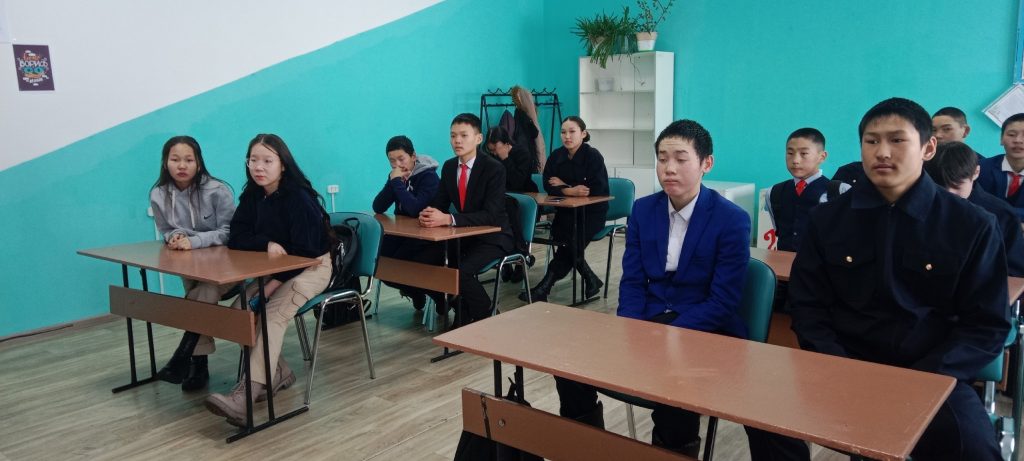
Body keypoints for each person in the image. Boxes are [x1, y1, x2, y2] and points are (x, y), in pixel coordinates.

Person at [553, 119, 803, 459]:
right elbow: (632, 281)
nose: (668, 168)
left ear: (706, 163)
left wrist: (667, 337)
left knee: (676, 390)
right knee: (568, 367)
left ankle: (673, 450)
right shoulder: (644, 210)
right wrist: (632, 329)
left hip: (707, 331)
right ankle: (588, 449)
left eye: (681, 159)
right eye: (662, 158)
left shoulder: (730, 219)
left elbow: (723, 301)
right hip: (649, 323)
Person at [788, 98, 1010, 460]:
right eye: (871, 141)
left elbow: (986, 325)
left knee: (975, 449)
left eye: (897, 140)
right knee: (769, 421)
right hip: (846, 368)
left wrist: (923, 379)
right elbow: (808, 306)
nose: (882, 152)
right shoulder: (827, 220)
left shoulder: (971, 224)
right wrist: (837, 366)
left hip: (933, 375)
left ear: (928, 148)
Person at [204, 134, 334, 426]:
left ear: (282, 164)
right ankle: (277, 372)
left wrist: (272, 286)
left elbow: (305, 251)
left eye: (267, 160)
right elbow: (237, 236)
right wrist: (266, 244)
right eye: (253, 160)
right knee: (241, 312)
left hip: (312, 267)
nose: (259, 167)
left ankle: (245, 396)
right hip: (277, 269)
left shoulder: (299, 198)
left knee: (272, 314)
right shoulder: (253, 195)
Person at [149, 135, 235, 391]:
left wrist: (195, 241)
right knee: (200, 296)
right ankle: (195, 362)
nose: (182, 165)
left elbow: (230, 232)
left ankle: (187, 357)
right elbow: (166, 228)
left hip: (226, 265)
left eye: (188, 159)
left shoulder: (218, 190)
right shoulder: (159, 194)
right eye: (175, 159)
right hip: (188, 264)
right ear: (165, 163)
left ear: (199, 163)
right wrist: (174, 236)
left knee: (202, 295)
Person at [418, 113, 514, 324]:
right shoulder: (449, 166)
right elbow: (440, 203)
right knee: (423, 262)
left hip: (493, 237)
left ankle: (487, 315)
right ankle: (459, 306)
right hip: (464, 236)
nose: (457, 141)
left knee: (460, 272)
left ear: (478, 139)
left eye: (463, 135)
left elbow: (491, 214)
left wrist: (449, 219)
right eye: (453, 136)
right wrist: (429, 213)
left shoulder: (494, 168)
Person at [520, 116, 609, 302]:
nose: (567, 136)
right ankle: (591, 279)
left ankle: (544, 288)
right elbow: (548, 183)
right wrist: (571, 190)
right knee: (565, 241)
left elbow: (595, 189)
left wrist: (565, 185)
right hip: (567, 212)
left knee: (569, 244)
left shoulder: (593, 156)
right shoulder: (557, 155)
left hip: (592, 213)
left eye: (572, 132)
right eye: (563, 132)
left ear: (583, 134)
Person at [924, 141, 1024, 276]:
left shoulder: (1002, 216)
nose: (949, 195)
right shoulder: (918, 204)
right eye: (940, 187)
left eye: (957, 186)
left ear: (976, 172)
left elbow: (1015, 272)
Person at [371, 135, 440, 310]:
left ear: (413, 156)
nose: (397, 165)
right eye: (392, 161)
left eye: (401, 159)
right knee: (381, 263)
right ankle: (415, 292)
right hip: (403, 233)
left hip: (426, 236)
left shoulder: (429, 177)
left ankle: (440, 297)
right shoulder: (396, 177)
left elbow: (414, 209)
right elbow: (378, 206)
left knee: (399, 265)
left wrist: (397, 184)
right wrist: (392, 182)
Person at [765, 127, 840, 252]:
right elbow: (778, 230)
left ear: (822, 157)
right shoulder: (774, 192)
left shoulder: (839, 192)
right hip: (783, 261)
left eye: (804, 154)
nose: (795, 160)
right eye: (790, 153)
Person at [977, 113, 1024, 220]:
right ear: (1001, 139)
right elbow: (974, 203)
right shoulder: (980, 168)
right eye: (1011, 134)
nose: (1018, 140)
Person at [486, 125, 538, 193]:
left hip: (524, 193)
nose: (494, 153)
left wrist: (505, 159)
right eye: (491, 150)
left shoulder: (523, 154)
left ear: (506, 143)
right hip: (501, 193)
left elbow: (517, 183)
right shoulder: (491, 156)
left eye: (495, 149)